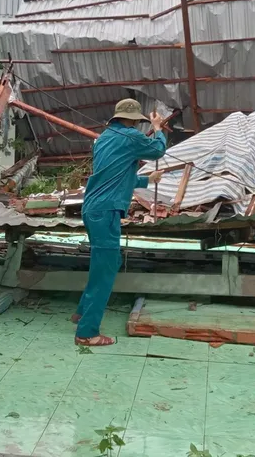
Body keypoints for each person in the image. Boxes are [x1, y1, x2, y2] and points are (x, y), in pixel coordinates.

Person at [72, 98, 166, 346]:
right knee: (105, 271)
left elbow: (117, 175)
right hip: (106, 212)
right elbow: (157, 150)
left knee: (104, 264)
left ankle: (82, 312)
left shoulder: (103, 139)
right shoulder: (131, 137)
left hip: (93, 209)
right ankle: (87, 333)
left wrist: (148, 180)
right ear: (135, 121)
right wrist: (158, 128)